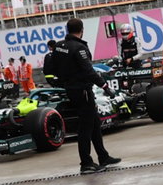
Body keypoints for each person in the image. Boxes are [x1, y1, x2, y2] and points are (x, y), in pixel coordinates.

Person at [50, 17, 121, 174]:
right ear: (81, 30)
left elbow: (51, 68)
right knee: (86, 127)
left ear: (68, 30)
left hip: (72, 89)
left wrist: (66, 80)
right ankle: (86, 163)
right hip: (82, 91)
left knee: (95, 123)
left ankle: (103, 156)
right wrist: (104, 86)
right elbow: (89, 71)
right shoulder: (79, 48)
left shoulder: (59, 46)